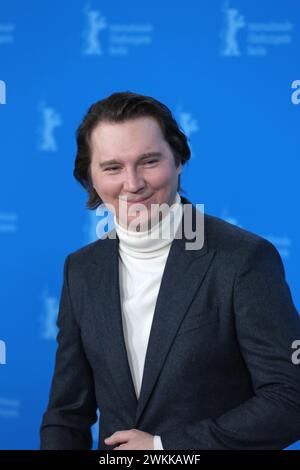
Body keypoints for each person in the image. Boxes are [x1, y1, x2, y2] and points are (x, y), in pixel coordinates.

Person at [40, 91, 300, 450]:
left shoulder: (243, 259)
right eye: (113, 167)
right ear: (91, 178)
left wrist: (164, 448)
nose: (132, 183)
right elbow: (66, 414)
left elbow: (290, 400)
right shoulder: (82, 270)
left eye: (148, 161)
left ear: (178, 160)